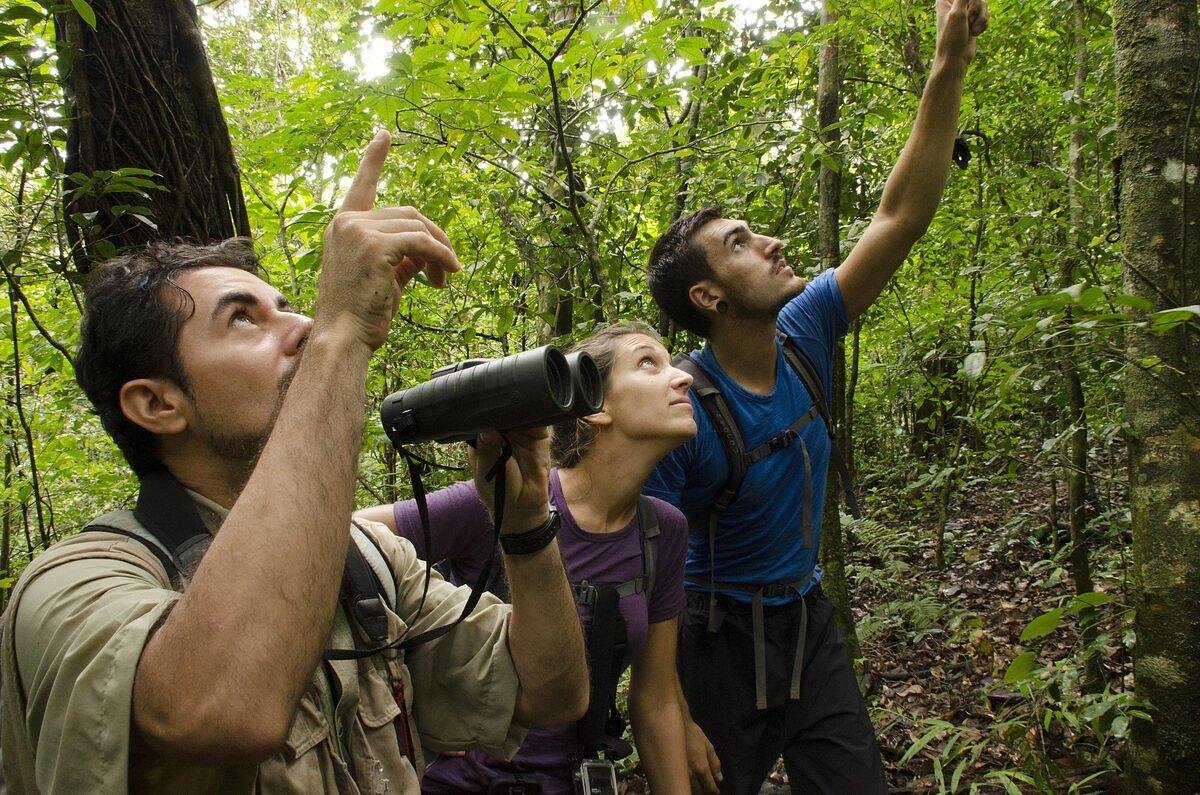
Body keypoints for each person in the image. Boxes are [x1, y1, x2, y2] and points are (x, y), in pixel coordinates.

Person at [0, 132, 589, 793]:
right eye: (244, 321)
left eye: (291, 306)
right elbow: (223, 706)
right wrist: (342, 331)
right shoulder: (74, 587)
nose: (303, 327)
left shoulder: (365, 557)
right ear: (157, 404)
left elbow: (549, 692)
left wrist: (527, 519)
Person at [643, 1, 990, 792]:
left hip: (809, 626)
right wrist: (670, 710)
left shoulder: (806, 330)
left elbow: (899, 217)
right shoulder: (679, 409)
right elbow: (647, 565)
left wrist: (948, 64)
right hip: (716, 645)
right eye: (738, 243)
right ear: (707, 297)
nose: (768, 242)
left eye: (753, 230)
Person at [357, 323, 697, 794]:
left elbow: (655, 699)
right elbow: (348, 539)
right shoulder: (500, 498)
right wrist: (404, 695)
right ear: (594, 406)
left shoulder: (662, 532)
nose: (683, 378)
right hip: (455, 782)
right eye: (648, 363)